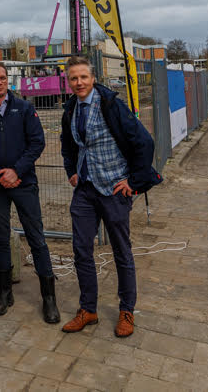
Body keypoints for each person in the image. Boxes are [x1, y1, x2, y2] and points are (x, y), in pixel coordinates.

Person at [59, 55, 160, 337]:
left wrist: (134, 181)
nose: (79, 82)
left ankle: (127, 310)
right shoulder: (70, 108)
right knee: (81, 249)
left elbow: (144, 141)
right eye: (74, 78)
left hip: (114, 189)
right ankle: (88, 309)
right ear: (69, 82)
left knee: (121, 252)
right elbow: (67, 144)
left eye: (83, 77)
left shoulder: (111, 105)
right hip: (85, 189)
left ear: (93, 78)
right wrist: (71, 170)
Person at [0, 60, 60, 323]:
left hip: (24, 183)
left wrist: (16, 171)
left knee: (36, 238)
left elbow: (37, 143)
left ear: (7, 79)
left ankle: (49, 299)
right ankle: (5, 293)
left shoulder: (24, 108)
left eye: (2, 77)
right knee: (1, 238)